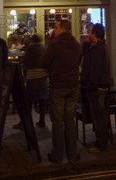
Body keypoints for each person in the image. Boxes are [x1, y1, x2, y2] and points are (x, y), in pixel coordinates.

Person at [41, 19, 82, 164]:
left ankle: (57, 154)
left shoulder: (55, 45)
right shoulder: (77, 45)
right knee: (69, 120)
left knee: (58, 121)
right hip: (73, 86)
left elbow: (44, 62)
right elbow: (78, 62)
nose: (55, 29)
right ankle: (72, 153)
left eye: (56, 27)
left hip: (58, 86)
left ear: (63, 29)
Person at [80, 23, 111, 153]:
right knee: (98, 116)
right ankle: (101, 141)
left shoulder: (99, 50)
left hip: (96, 88)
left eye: (91, 32)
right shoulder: (98, 47)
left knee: (98, 116)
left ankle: (101, 144)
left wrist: (90, 85)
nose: (89, 34)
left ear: (96, 34)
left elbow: (95, 70)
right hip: (97, 86)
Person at [13, 34, 49, 129]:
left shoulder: (29, 49)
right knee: (42, 99)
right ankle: (42, 120)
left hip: (32, 75)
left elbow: (26, 63)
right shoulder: (45, 48)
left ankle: (25, 121)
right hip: (43, 75)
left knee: (28, 100)